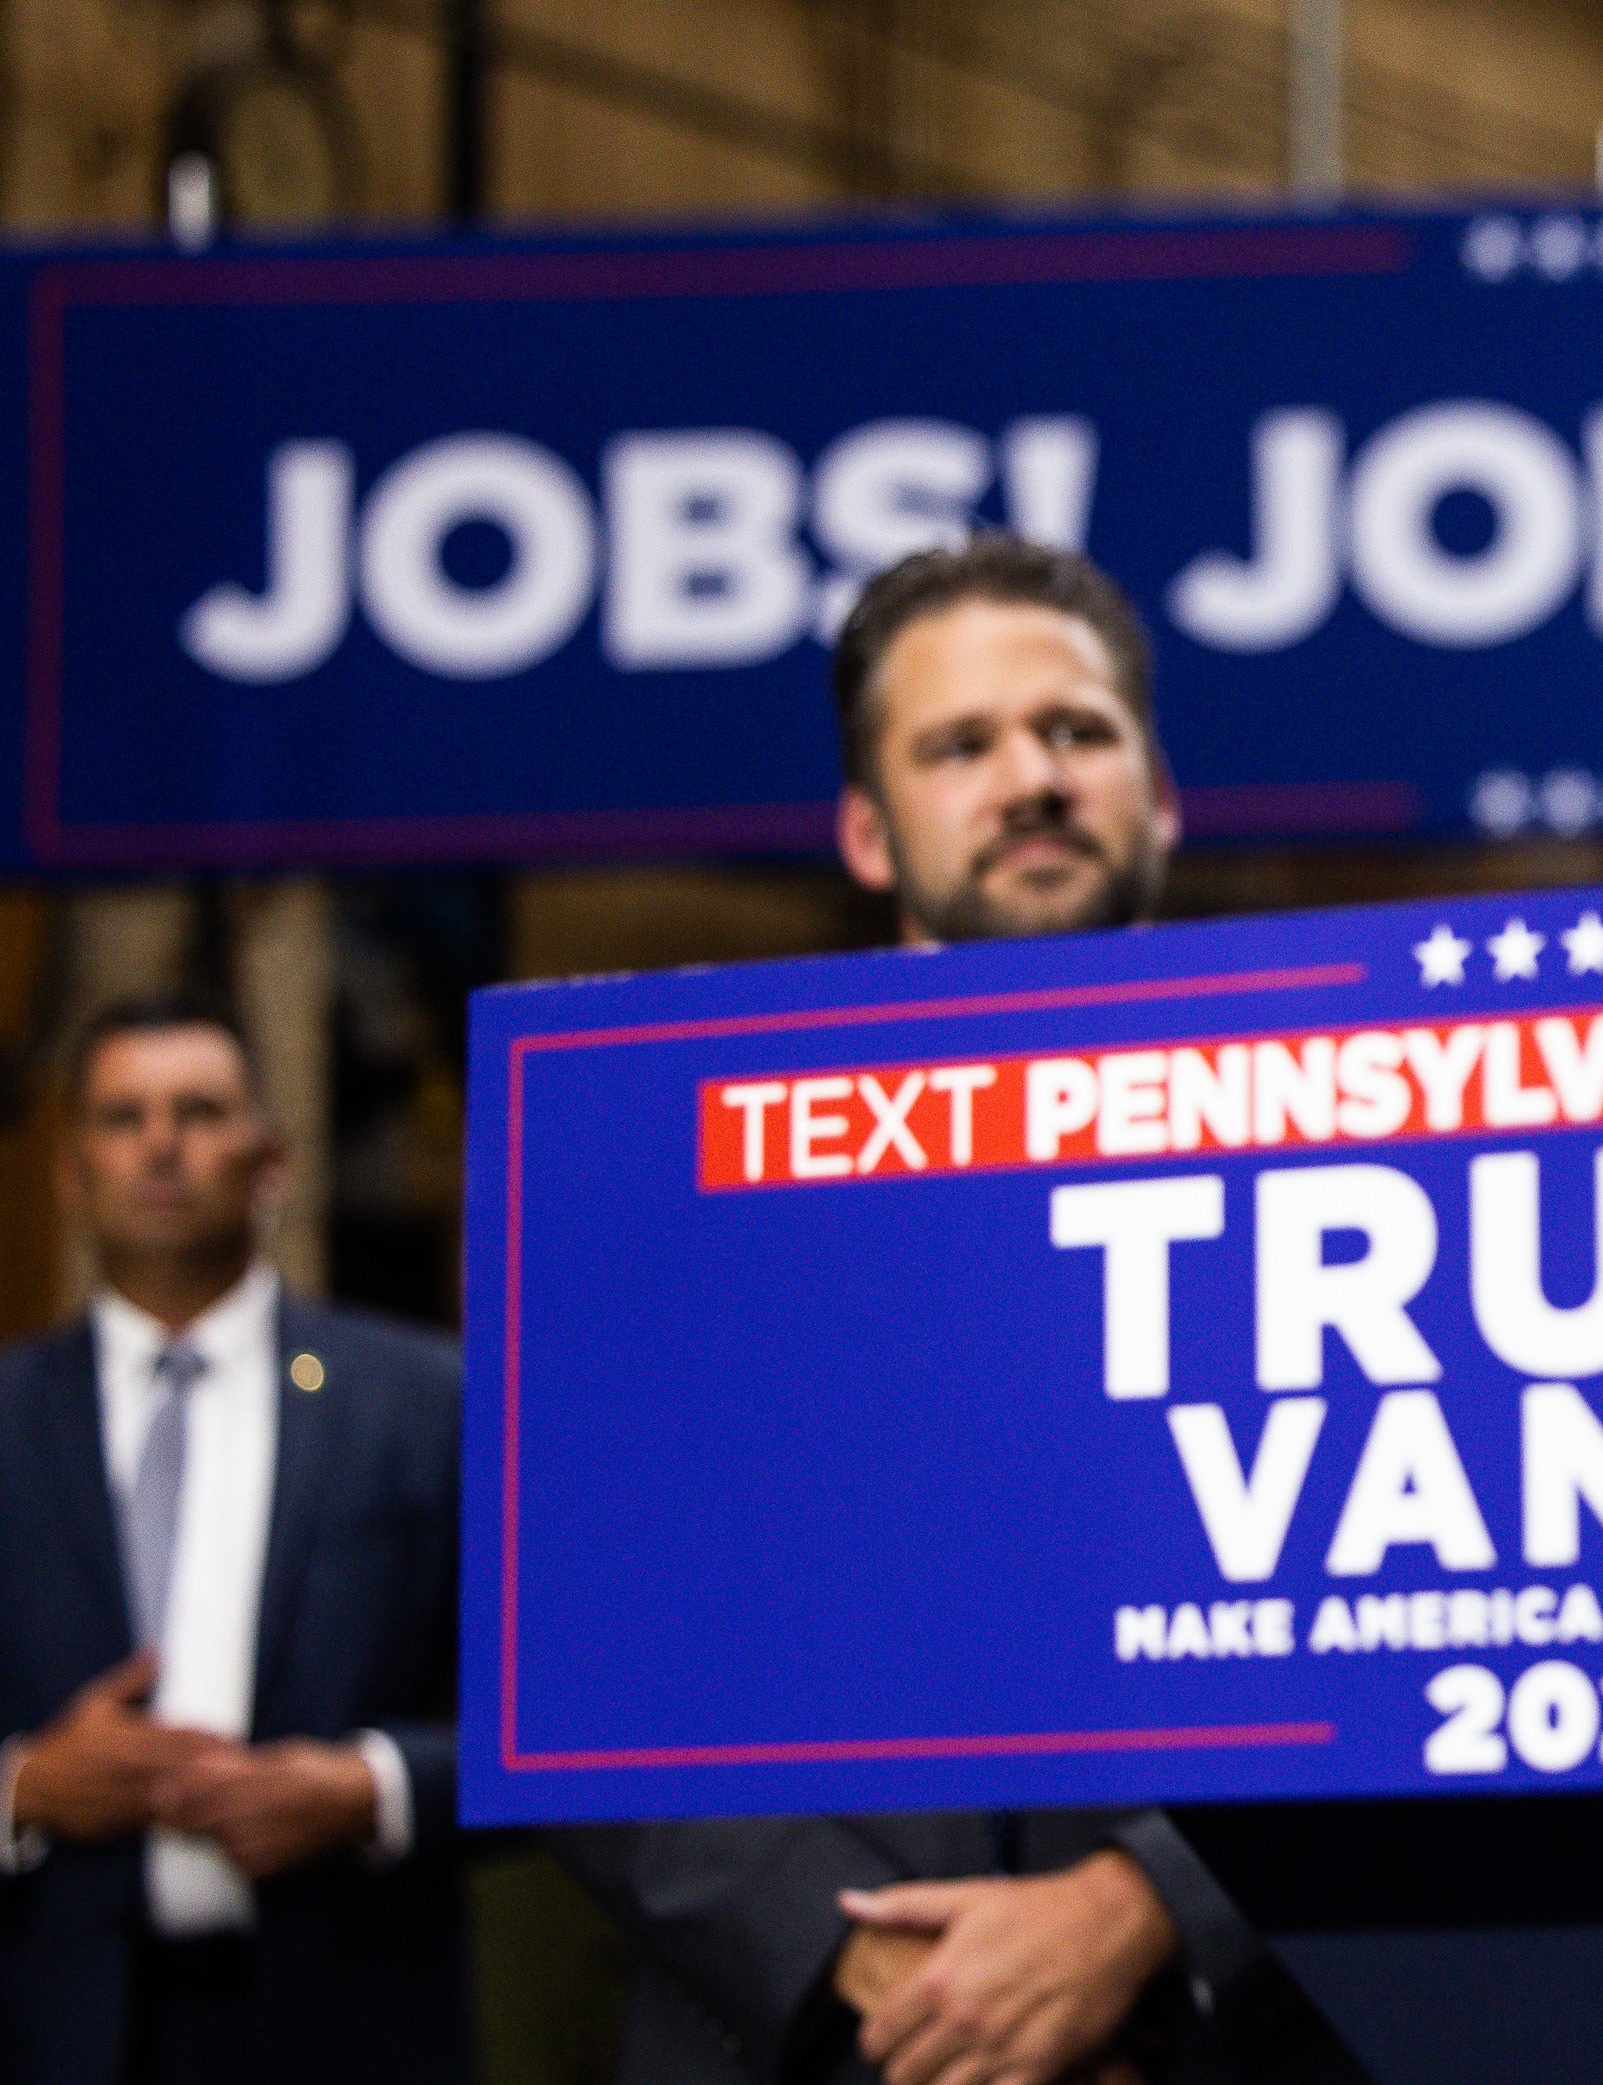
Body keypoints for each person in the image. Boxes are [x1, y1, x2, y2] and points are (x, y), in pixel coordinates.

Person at [555, 536, 1347, 2085]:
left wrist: (1150, 1912)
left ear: (1163, 793)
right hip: (821, 2043)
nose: (1031, 777)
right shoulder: (659, 1174)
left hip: (1233, 2035)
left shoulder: (1363, 1160)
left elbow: (1464, 1635)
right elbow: (575, 1660)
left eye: (1076, 731)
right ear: (866, 827)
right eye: (961, 744)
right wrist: (895, 1982)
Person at [0, 996, 466, 2085]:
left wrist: (373, 1787)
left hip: (348, 2017)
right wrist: (22, 1786)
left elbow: (540, 1714)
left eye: (199, 1110)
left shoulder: (418, 1400)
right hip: (49, 2027)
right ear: (70, 1171)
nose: (161, 1143)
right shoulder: (8, 1416)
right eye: (123, 1117)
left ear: (273, 1161)